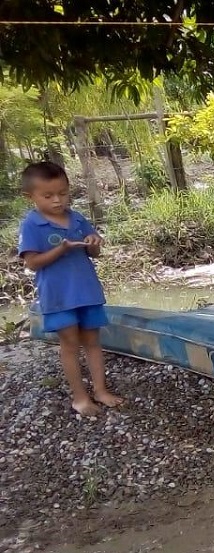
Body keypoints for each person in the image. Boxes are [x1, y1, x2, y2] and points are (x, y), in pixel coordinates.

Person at [16, 161, 123, 416]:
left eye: (63, 193)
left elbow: (93, 252)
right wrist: (60, 249)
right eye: (48, 195)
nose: (57, 200)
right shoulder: (31, 225)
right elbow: (32, 263)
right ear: (29, 196)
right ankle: (80, 397)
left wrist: (94, 242)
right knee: (70, 344)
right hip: (58, 297)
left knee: (93, 342)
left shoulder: (76, 218)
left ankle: (100, 390)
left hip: (86, 291)